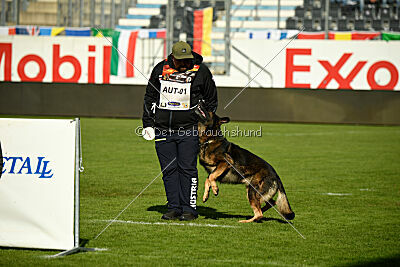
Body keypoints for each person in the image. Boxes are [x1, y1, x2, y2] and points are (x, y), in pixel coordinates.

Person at [142, 41, 218, 221]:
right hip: (162, 130)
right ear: (173, 57)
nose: (184, 65)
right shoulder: (160, 70)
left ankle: (189, 209)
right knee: (169, 170)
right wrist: (147, 123)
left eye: (187, 61)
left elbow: (211, 99)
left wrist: (204, 118)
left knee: (187, 169)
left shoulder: (201, 71)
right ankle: (174, 207)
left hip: (189, 129)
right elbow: (150, 96)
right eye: (180, 61)